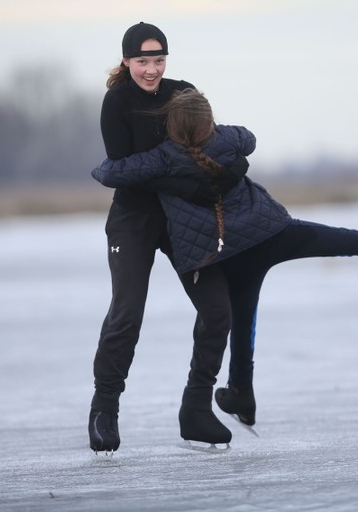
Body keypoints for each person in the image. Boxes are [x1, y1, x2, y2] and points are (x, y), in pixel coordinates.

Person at [92, 88, 358, 431]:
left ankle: (233, 392)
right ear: (210, 122)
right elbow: (249, 137)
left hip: (225, 252)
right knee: (353, 241)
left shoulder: (163, 158)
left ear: (173, 129)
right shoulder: (227, 140)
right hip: (270, 233)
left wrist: (162, 176)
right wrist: (220, 144)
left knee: (236, 313)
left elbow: (109, 171)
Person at [89, 23, 248, 454]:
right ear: (126, 61)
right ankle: (104, 409)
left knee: (218, 312)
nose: (151, 70)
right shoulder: (117, 101)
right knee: (127, 314)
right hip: (134, 220)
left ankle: (196, 409)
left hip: (185, 220)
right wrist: (184, 178)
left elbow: (207, 148)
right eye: (142, 61)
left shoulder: (184, 93)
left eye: (158, 60)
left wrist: (230, 169)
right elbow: (128, 172)